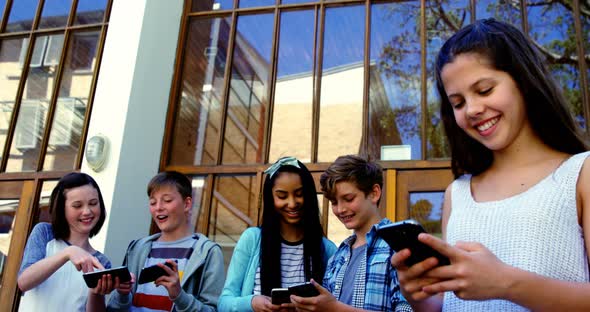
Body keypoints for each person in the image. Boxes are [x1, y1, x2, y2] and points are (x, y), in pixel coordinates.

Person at [390, 18, 590, 311]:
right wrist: (420, 295)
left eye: (484, 90)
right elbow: (448, 305)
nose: (472, 109)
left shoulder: (580, 173)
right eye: (458, 103)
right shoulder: (456, 194)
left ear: (524, 81)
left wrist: (505, 282)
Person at [291, 155, 411, 311]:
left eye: (348, 198)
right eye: (334, 202)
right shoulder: (337, 257)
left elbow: (408, 309)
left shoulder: (400, 245)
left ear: (374, 193)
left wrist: (335, 309)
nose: (340, 209)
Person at [218, 156, 337, 312]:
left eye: (299, 194)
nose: (292, 203)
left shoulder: (327, 249)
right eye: (282, 196)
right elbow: (224, 303)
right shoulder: (253, 239)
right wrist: (252, 303)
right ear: (270, 198)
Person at [107, 171, 225, 311]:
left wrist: (179, 296)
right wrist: (122, 294)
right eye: (153, 202)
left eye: (167, 200)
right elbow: (114, 308)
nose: (158, 207)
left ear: (187, 204)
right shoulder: (137, 249)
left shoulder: (207, 252)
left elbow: (213, 309)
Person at [17, 172, 115, 312]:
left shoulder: (101, 262)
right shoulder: (45, 233)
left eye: (93, 203)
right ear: (62, 208)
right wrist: (68, 253)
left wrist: (95, 292)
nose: (87, 211)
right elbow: (24, 282)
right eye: (77, 206)